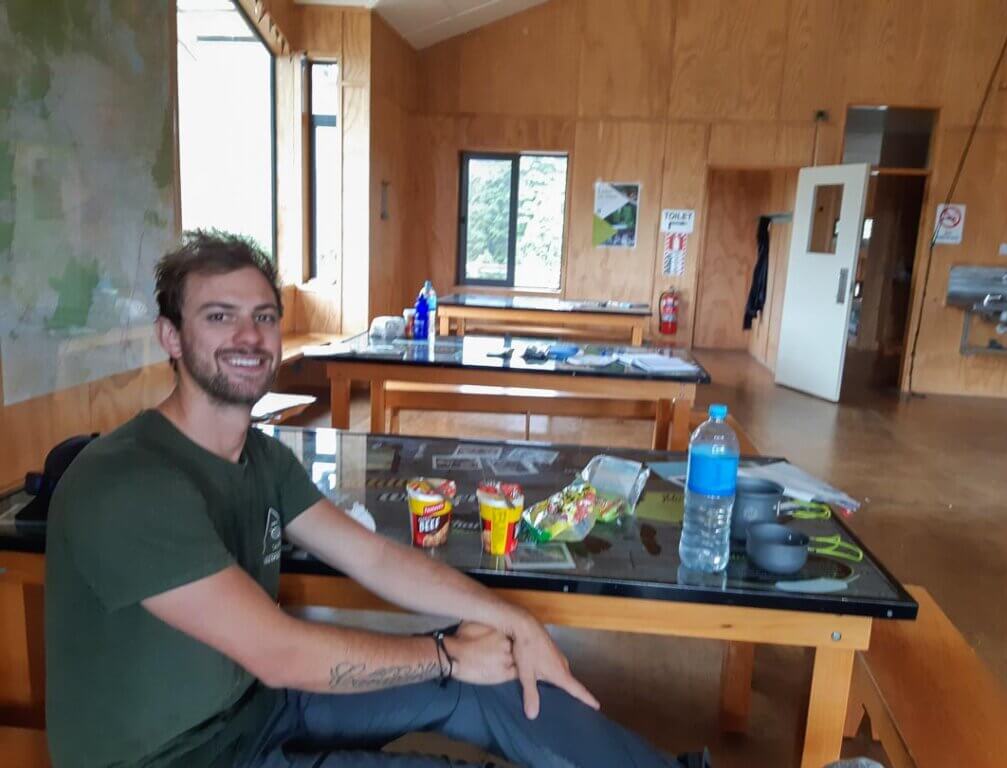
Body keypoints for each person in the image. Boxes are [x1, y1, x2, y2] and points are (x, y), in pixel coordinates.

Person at [45, 230, 703, 767]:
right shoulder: (129, 484)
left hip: (261, 706)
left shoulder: (260, 457)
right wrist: (447, 656)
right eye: (220, 317)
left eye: (263, 317)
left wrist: (511, 621)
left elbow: (376, 559)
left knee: (494, 662)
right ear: (171, 336)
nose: (249, 337)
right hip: (180, 755)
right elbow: (282, 651)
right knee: (463, 660)